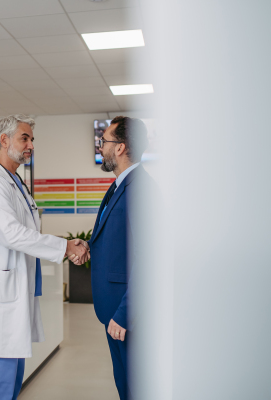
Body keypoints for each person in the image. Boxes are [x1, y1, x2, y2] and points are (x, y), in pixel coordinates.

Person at [0, 114, 89, 400]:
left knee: (11, 381)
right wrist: (66, 247)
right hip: (0, 296)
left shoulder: (15, 182)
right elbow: (11, 234)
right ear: (4, 140)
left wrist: (66, 244)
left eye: (32, 139)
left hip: (14, 294)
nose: (31, 144)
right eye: (25, 138)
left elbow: (25, 233)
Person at [87, 116, 153, 400]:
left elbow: (149, 259)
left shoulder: (140, 189)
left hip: (127, 313)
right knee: (125, 384)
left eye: (105, 142)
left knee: (136, 386)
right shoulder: (119, 187)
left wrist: (125, 313)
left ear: (121, 147)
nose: (101, 147)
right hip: (114, 309)